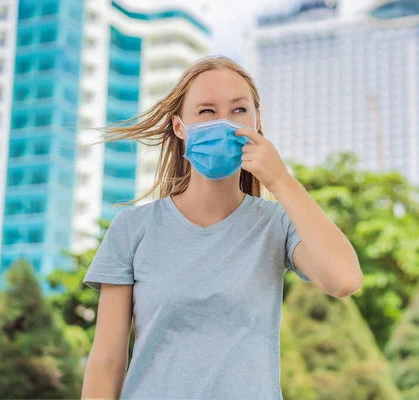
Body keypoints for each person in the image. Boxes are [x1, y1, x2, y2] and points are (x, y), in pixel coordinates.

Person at [80, 55, 362, 400]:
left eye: (239, 111)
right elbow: (106, 362)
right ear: (179, 126)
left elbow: (344, 280)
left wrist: (281, 181)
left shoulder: (276, 224)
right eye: (207, 111)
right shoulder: (132, 228)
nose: (224, 123)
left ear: (257, 122)